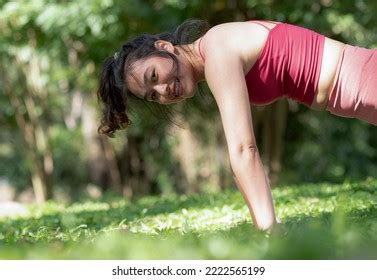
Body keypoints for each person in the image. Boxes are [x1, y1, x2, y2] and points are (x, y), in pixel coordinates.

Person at [96, 19, 377, 231]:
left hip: (363, 80)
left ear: (164, 47)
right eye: (152, 95)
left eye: (154, 75)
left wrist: (270, 232)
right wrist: (262, 227)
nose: (162, 90)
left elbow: (243, 150)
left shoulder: (217, 52)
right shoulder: (214, 49)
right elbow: (239, 164)